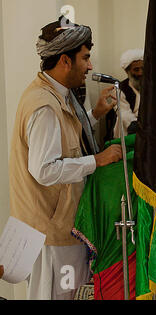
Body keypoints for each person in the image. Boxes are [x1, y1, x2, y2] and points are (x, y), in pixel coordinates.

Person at [8, 17, 123, 300]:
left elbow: (68, 143)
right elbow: (44, 169)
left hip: (60, 228)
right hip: (50, 233)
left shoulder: (59, 95)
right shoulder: (44, 105)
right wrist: (97, 160)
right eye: (85, 58)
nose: (91, 66)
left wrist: (94, 115)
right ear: (65, 60)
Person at [106, 48, 144, 140]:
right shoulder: (118, 90)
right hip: (128, 132)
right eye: (136, 69)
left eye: (143, 68)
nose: (141, 73)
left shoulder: (151, 87)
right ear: (127, 71)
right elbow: (125, 116)